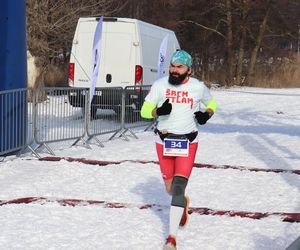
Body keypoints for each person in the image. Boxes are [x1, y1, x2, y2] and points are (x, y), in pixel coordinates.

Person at [140, 50, 217, 250]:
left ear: (188, 70)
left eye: (179, 67)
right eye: (172, 66)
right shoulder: (160, 85)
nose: (174, 70)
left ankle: (171, 238)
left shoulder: (198, 87)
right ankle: (181, 203)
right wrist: (158, 111)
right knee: (170, 188)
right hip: (163, 141)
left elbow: (212, 103)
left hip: (188, 143)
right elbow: (144, 111)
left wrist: (206, 115)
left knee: (178, 188)